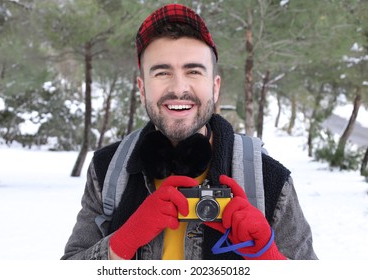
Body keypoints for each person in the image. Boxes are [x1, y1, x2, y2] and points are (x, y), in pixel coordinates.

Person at [61, 4, 318, 260]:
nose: (179, 87)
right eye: (162, 72)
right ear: (141, 89)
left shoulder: (268, 179)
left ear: (215, 87)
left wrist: (268, 256)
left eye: (193, 71)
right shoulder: (107, 171)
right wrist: (122, 242)